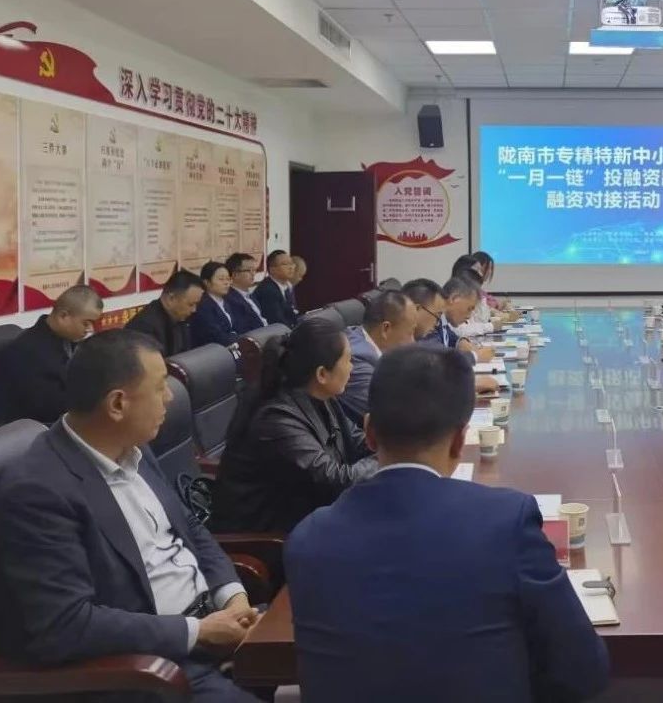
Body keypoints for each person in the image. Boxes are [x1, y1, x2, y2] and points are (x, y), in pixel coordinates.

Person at [285, 345, 610, 703]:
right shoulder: (506, 521)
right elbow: (584, 669)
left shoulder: (307, 539)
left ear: (369, 433)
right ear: (460, 439)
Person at [0, 330, 261, 703]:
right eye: (160, 387)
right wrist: (198, 633)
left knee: (324, 645)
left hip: (214, 624)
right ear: (117, 404)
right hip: (153, 668)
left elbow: (190, 529)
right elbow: (66, 625)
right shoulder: (39, 491)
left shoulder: (133, 447)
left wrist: (233, 598)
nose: (169, 397)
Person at [212, 317, 378, 533]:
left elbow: (357, 440)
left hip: (312, 516)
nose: (352, 368)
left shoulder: (322, 396)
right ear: (322, 374)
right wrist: (389, 457)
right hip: (268, 536)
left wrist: (392, 445)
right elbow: (335, 481)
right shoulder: (276, 418)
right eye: (348, 361)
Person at [1, 284, 103, 423]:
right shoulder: (29, 351)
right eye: (86, 323)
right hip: (41, 426)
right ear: (63, 316)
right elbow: (47, 408)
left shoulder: (71, 341)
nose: (89, 329)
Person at [339, 290, 418, 423]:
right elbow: (393, 416)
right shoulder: (355, 358)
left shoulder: (366, 342)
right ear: (386, 329)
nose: (413, 342)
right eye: (410, 333)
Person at [126, 270, 204, 358]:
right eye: (191, 304)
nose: (194, 310)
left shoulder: (181, 318)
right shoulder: (144, 327)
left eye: (196, 304)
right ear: (171, 298)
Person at [189, 262, 243, 348]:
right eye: (221, 279)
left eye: (228, 279)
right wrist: (238, 338)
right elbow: (217, 336)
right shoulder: (202, 306)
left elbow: (240, 326)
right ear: (207, 282)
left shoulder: (228, 301)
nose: (226, 283)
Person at [252, 250, 299, 327]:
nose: (291, 267)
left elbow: (292, 314)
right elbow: (277, 322)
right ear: (272, 269)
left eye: (291, 263)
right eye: (285, 264)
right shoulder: (267, 290)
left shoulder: (287, 286)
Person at [223, 252, 266, 332]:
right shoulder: (231, 300)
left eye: (254, 270)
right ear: (235, 274)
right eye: (248, 270)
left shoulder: (250, 295)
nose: (253, 274)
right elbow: (243, 330)